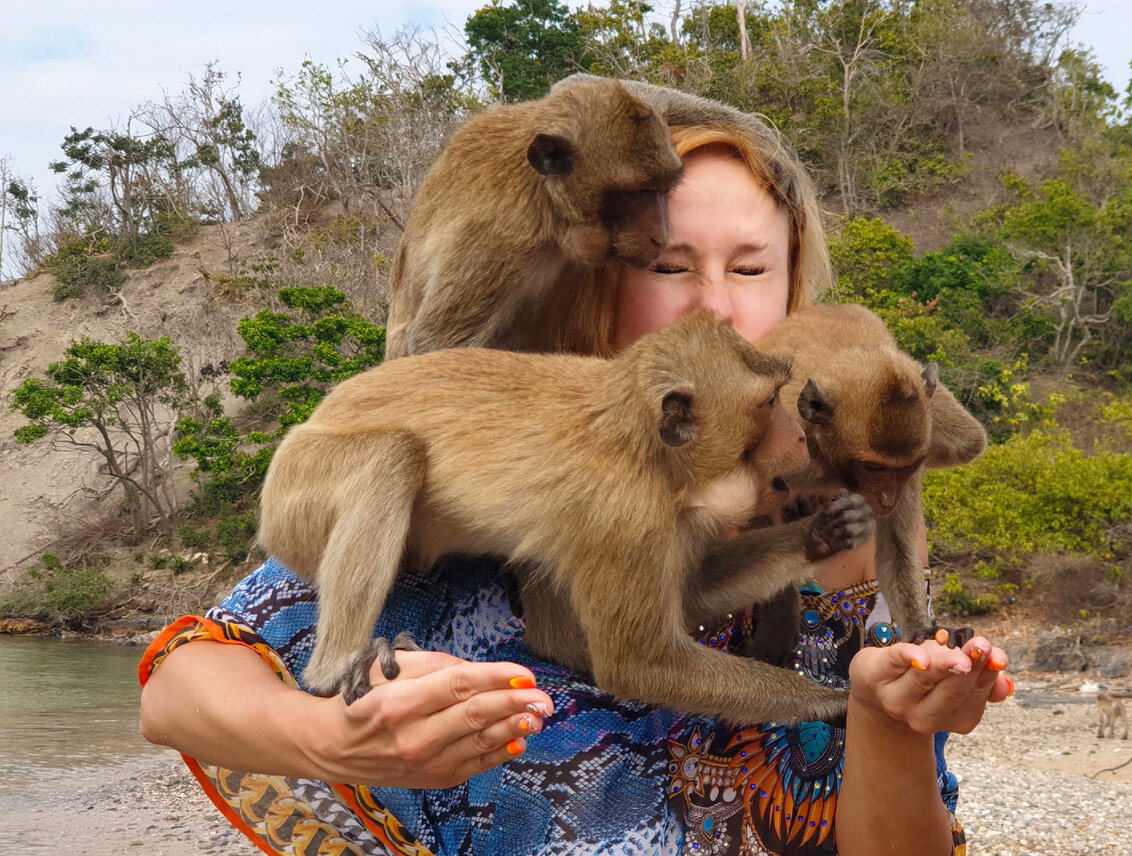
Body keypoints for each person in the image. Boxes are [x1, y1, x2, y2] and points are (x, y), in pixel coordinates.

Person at [139, 79, 1011, 856]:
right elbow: (181, 682)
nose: (714, 302)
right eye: (671, 265)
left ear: (793, 292)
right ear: (605, 271)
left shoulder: (847, 507)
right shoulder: (477, 505)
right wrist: (324, 735)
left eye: (751, 268)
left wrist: (884, 722)